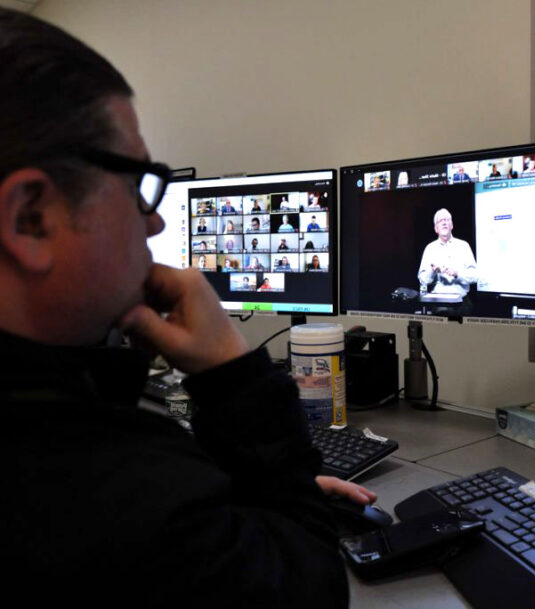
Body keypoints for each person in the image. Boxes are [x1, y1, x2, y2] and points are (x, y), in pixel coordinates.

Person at [0, 9, 371, 607]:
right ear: (30, 217)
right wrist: (231, 372)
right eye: (139, 183)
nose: (157, 219)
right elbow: (309, 591)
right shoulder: (111, 499)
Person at [418, 208, 477, 297]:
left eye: (447, 220)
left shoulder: (463, 246)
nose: (444, 223)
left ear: (451, 225)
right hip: (438, 300)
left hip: (461, 300)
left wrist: (457, 274)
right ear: (436, 228)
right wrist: (432, 270)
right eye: (440, 221)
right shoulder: (430, 248)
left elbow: (475, 276)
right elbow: (423, 280)